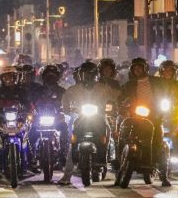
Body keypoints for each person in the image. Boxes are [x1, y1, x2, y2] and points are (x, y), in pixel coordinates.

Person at [58, 61, 118, 185]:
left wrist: (113, 107)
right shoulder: (75, 89)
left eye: (90, 74)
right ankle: (67, 175)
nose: (87, 77)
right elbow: (65, 98)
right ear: (81, 75)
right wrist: (67, 110)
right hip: (82, 117)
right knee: (73, 142)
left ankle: (110, 160)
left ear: (95, 75)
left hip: (99, 117)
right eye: (85, 74)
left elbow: (114, 97)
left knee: (108, 131)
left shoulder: (102, 87)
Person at [117, 57, 171, 187]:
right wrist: (123, 105)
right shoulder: (129, 85)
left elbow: (166, 95)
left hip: (154, 116)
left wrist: (164, 107)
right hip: (135, 116)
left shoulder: (157, 82)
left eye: (139, 68)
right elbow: (121, 98)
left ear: (145, 68)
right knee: (123, 135)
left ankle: (163, 176)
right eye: (135, 68)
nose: (137, 70)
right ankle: (120, 165)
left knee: (158, 141)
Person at [0, 66, 33, 182]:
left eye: (11, 77)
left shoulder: (22, 91)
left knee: (27, 138)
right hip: (2, 119)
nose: (9, 80)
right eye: (6, 77)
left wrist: (30, 111)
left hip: (19, 119)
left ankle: (31, 162)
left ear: (16, 78)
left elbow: (28, 103)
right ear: (2, 79)